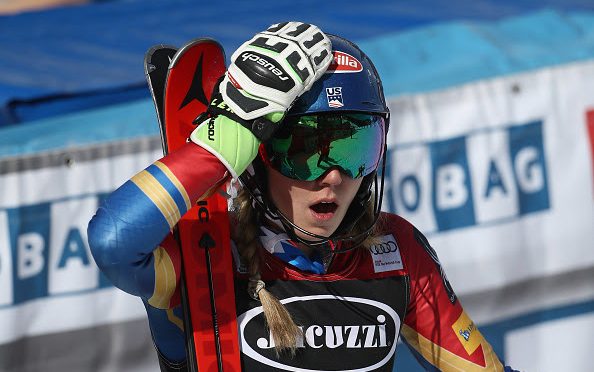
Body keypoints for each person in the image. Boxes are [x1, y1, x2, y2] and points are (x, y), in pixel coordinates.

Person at [88, 22, 517, 372]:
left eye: (353, 150)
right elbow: (113, 242)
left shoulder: (396, 250)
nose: (333, 177)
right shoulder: (200, 249)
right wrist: (228, 135)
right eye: (304, 152)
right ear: (255, 159)